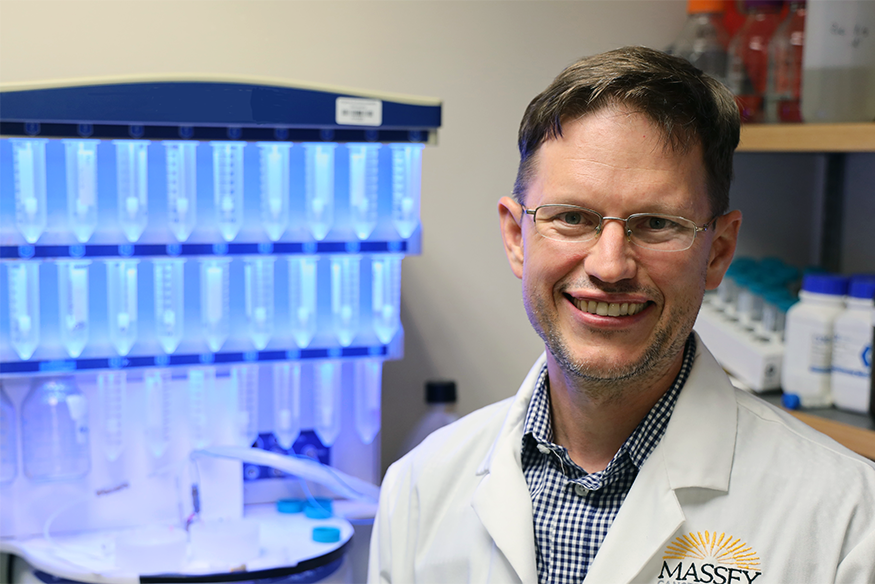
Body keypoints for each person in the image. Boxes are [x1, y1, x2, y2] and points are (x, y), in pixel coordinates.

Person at [367, 46, 875, 584]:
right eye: (572, 217)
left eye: (657, 223)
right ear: (517, 237)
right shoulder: (420, 487)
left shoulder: (846, 520)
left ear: (719, 252)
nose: (609, 266)